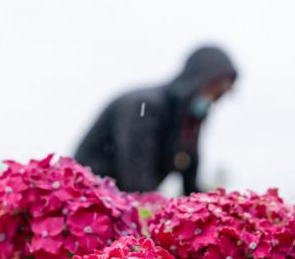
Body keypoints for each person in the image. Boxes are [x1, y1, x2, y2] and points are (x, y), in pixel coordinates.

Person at [75, 46, 237, 195]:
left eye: (222, 92)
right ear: (197, 78)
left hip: (127, 205)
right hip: (90, 201)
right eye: (215, 87)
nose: (215, 98)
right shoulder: (144, 106)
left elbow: (190, 183)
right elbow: (136, 179)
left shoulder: (187, 123)